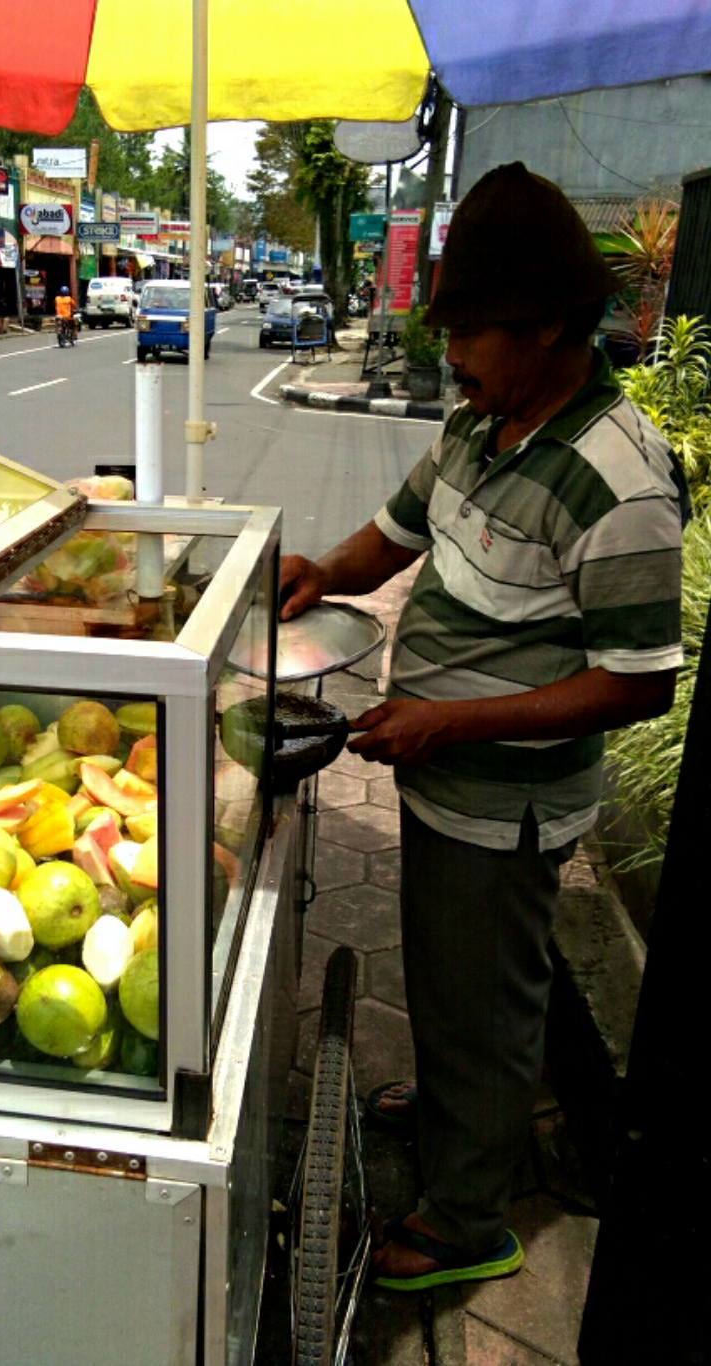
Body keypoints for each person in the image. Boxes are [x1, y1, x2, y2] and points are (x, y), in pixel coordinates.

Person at [280, 162, 687, 1292]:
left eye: (470, 332)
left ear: (549, 323)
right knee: (450, 976)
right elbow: (392, 536)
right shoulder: (478, 423)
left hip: (503, 798)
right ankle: (462, 1105)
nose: (450, 356)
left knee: (487, 998)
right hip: (441, 772)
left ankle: (471, 1216)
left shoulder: (620, 482)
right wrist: (320, 572)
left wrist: (451, 726)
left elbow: (637, 684)